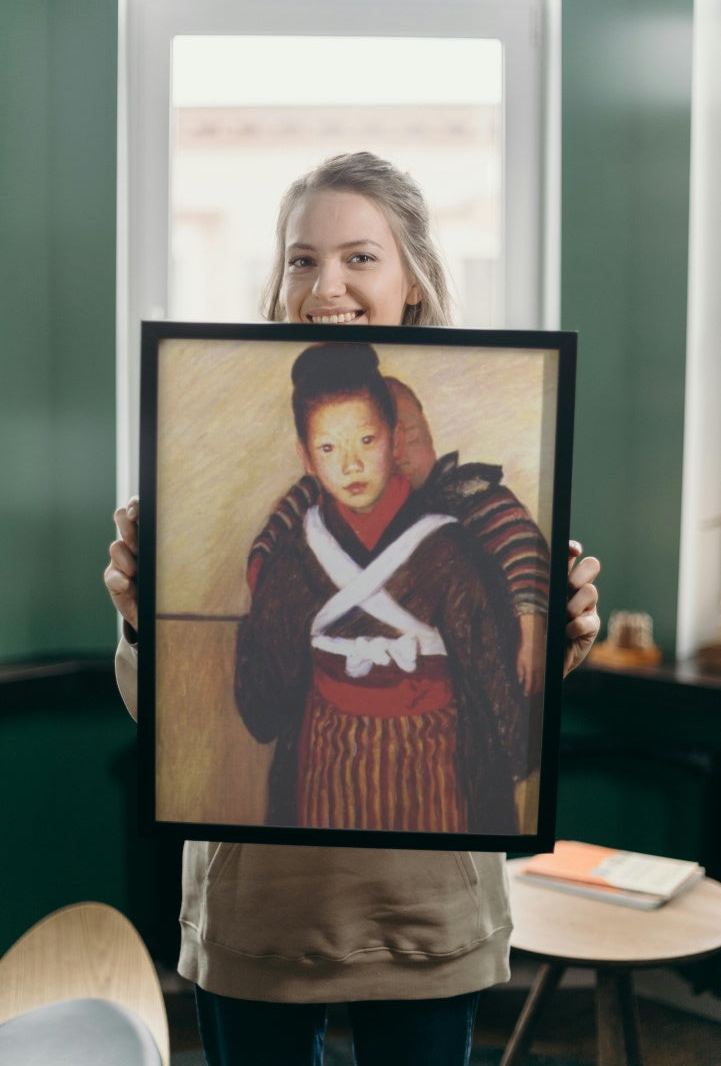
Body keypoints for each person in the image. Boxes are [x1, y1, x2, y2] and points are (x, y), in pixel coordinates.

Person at [105, 152, 601, 1066]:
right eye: (301, 258)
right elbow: (219, 709)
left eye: (359, 257)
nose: (324, 283)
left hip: (424, 894)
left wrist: (553, 630)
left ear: (412, 277)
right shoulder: (280, 536)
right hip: (264, 898)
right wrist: (142, 618)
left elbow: (513, 698)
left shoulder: (470, 523)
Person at [236, 341, 528, 835]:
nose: (351, 464)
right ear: (306, 457)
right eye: (329, 448)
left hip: (437, 771)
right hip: (325, 768)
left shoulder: (449, 550)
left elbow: (495, 690)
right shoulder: (297, 554)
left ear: (394, 440)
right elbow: (263, 707)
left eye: (367, 441)